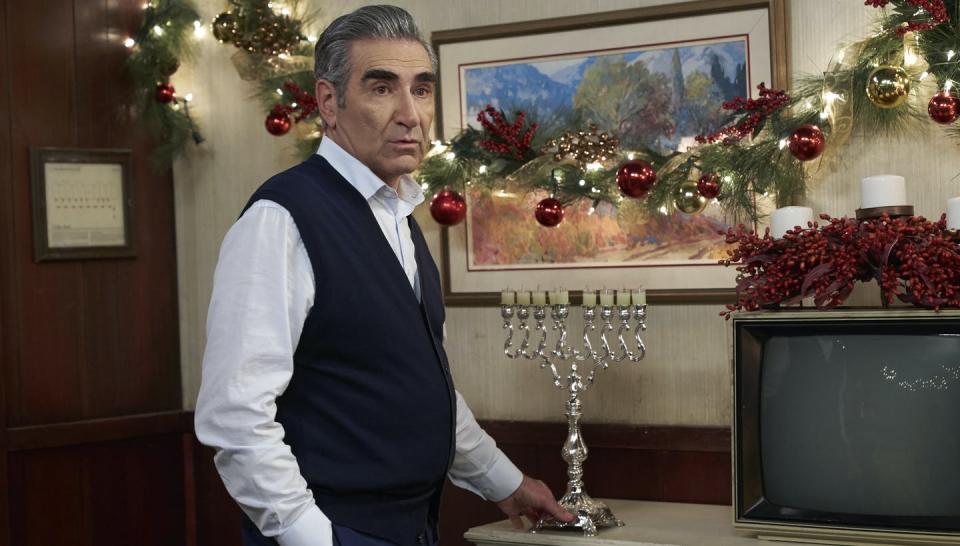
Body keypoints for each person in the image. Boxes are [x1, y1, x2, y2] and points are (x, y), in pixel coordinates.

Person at [194, 5, 574, 546]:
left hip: (413, 525)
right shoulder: (282, 219)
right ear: (329, 101)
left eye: (421, 89)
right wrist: (313, 537)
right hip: (333, 531)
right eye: (381, 89)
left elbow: (420, 386)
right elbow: (234, 416)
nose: (410, 114)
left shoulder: (399, 218)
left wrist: (505, 484)